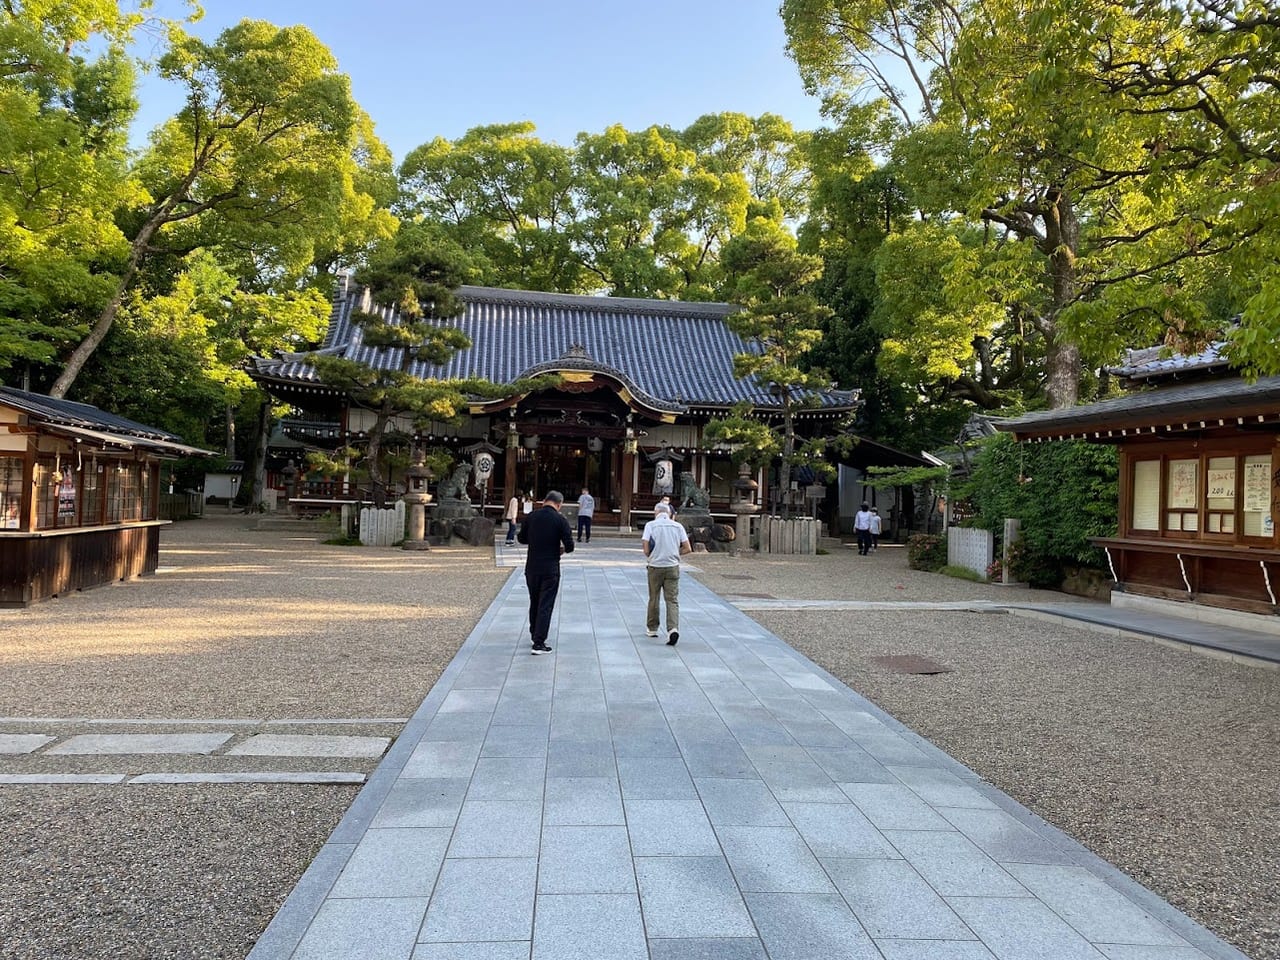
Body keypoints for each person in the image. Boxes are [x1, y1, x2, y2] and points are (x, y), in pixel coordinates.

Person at [517, 490, 574, 655]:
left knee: (534, 600)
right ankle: (539, 641)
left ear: (544, 501)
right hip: (550, 567)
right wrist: (560, 549)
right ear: (559, 504)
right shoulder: (560, 519)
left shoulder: (532, 516)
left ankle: (534, 632)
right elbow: (569, 545)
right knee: (546, 604)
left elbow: (521, 538)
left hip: (532, 566)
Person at [641, 502, 691, 645]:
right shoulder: (678, 526)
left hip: (655, 565)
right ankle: (673, 628)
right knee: (672, 599)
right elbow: (688, 548)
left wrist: (652, 555)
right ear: (669, 513)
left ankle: (652, 628)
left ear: (656, 513)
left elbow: (645, 548)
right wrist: (676, 553)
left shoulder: (650, 525)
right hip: (672, 566)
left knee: (654, 597)